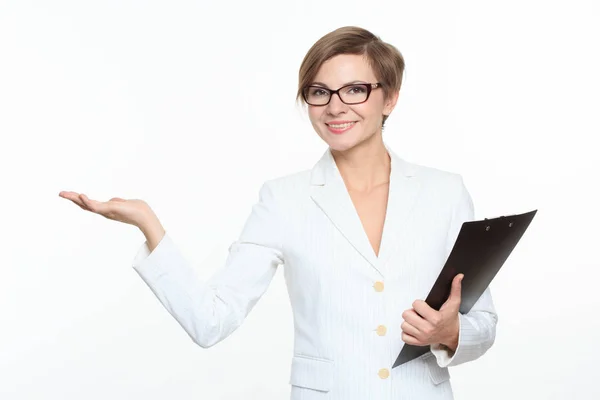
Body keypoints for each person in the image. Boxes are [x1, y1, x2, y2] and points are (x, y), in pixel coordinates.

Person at [59, 26, 497, 400]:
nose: (335, 106)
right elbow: (210, 321)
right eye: (319, 92)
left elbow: (484, 323)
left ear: (390, 99)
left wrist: (450, 333)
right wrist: (149, 225)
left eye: (355, 89)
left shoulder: (444, 192)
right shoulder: (283, 200)